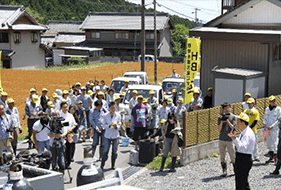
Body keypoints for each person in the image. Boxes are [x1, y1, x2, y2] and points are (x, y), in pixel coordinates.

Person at [228, 113, 256, 190]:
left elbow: (242, 147)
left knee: (240, 183)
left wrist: (235, 139)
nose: (237, 123)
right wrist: (235, 138)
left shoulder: (247, 134)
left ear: (243, 123)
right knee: (244, 183)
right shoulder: (244, 132)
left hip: (244, 159)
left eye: (238, 121)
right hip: (242, 158)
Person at [100, 102, 121, 170]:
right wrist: (109, 126)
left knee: (114, 151)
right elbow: (103, 125)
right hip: (107, 135)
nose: (113, 109)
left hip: (115, 135)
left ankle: (113, 165)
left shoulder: (118, 115)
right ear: (109, 108)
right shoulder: (106, 115)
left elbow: (119, 123)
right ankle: (102, 165)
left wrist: (116, 126)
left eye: (114, 107)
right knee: (105, 151)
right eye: (112, 107)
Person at [217, 102, 237, 177]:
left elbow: (233, 127)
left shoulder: (233, 117)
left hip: (230, 139)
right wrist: (222, 122)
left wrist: (228, 121)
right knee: (222, 156)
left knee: (232, 156)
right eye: (224, 108)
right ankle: (224, 170)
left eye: (227, 108)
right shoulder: (220, 117)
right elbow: (219, 129)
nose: (226, 110)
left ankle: (235, 169)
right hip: (222, 139)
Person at [263, 95, 281, 163]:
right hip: (266, 128)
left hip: (274, 129)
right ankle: (270, 156)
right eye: (271, 101)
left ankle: (275, 157)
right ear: (269, 102)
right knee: (268, 142)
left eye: (274, 101)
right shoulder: (267, 109)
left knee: (275, 142)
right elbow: (264, 117)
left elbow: (278, 120)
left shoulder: (278, 109)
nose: (273, 102)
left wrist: (272, 126)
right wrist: (265, 124)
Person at [59, 102, 77, 169]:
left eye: (66, 107)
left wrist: (70, 129)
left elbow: (74, 124)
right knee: (62, 150)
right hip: (62, 135)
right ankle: (62, 163)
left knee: (69, 150)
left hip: (69, 135)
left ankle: (68, 163)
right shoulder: (59, 115)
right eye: (64, 107)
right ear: (61, 108)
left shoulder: (70, 115)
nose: (65, 108)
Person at [243, 98, 260, 162]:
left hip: (253, 130)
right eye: (248, 103)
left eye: (251, 103)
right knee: (246, 143)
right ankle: (247, 156)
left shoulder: (255, 111)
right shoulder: (245, 111)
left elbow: (256, 121)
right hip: (246, 130)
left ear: (253, 103)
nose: (249, 104)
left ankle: (256, 156)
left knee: (255, 144)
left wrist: (250, 127)